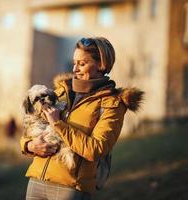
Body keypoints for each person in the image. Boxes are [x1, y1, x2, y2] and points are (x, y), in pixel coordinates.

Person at [20, 37, 144, 200]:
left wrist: (58, 123)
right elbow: (32, 127)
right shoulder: (60, 92)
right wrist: (29, 145)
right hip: (36, 182)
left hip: (70, 189)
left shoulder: (112, 104)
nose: (75, 68)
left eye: (82, 63)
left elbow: (95, 149)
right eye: (74, 62)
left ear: (101, 65)